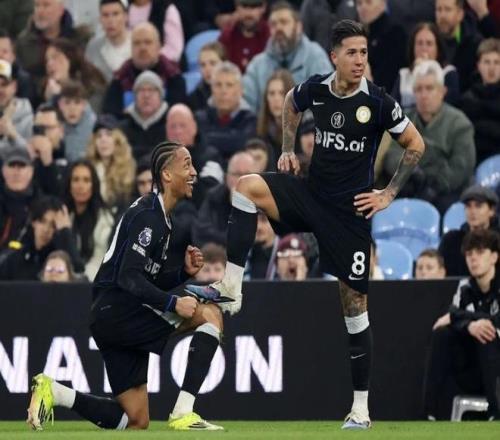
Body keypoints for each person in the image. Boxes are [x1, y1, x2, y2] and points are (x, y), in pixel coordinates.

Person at [186, 19, 426, 430]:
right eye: (351, 52)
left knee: (354, 308)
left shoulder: (379, 102)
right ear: (334, 56)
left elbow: (415, 144)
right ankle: (231, 286)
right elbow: (289, 103)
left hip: (349, 215)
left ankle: (361, 409)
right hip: (312, 195)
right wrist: (286, 149)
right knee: (245, 187)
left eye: (364, 52)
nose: (359, 60)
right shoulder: (317, 89)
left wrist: (387, 194)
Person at [27, 141, 225, 431]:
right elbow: (129, 278)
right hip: (120, 310)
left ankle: (55, 392)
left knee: (135, 420)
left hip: (109, 315)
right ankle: (184, 412)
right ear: (166, 174)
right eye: (187, 165)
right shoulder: (149, 216)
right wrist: (173, 303)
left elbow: (143, 279)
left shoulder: (160, 217)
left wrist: (182, 273)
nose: (194, 172)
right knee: (210, 315)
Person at [424, 229, 500, 421]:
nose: (473, 258)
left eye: (479, 252)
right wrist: (469, 325)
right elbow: (453, 313)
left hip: (496, 364)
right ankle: (429, 413)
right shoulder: (465, 287)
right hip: (472, 369)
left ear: (494, 257)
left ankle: (496, 413)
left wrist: (467, 321)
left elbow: (456, 315)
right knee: (442, 334)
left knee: (486, 333)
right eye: (469, 254)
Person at [383, 60, 476, 214]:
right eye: (419, 89)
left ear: (442, 91)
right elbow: (392, 154)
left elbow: (461, 166)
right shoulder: (403, 120)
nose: (424, 95)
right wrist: (412, 172)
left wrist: (435, 185)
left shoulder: (460, 123)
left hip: (447, 190)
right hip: (410, 184)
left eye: (429, 88)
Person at [243, 1, 332, 112]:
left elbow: (326, 100)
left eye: (284, 22)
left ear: (298, 26)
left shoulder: (315, 56)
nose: (278, 28)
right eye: (273, 24)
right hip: (266, 123)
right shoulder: (257, 65)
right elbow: (246, 105)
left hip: (307, 122)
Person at [103, 22, 186, 117]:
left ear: (158, 47)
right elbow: (109, 118)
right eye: (137, 43)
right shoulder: (119, 78)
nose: (142, 48)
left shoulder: (174, 76)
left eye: (148, 42)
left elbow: (177, 116)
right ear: (131, 48)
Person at [0, 195, 84, 280]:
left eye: (53, 225)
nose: (46, 229)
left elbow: (78, 271)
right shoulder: (16, 259)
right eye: (42, 221)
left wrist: (65, 232)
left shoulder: (59, 261)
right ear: (33, 222)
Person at [195, 61, 257, 166]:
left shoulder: (250, 119)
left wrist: (208, 137)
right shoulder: (200, 117)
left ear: (240, 90)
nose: (223, 91)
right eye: (218, 85)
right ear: (211, 89)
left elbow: (241, 143)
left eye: (229, 85)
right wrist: (231, 137)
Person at [63, 160, 115, 281]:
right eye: (75, 180)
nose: (80, 186)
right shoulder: (62, 215)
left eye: (86, 180)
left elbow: (100, 261)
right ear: (69, 184)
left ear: (94, 185)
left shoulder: (105, 219)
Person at [392, 22, 460, 109]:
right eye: (419, 43)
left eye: (429, 44)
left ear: (438, 48)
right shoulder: (404, 74)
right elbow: (393, 108)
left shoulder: (448, 73)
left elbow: (449, 105)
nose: (424, 48)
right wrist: (416, 71)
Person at [439, 185, 499, 276]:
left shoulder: (497, 240)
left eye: (478, 206)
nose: (473, 211)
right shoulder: (451, 241)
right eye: (468, 206)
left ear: (491, 211)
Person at [459, 37, 500, 164]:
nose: (492, 68)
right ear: (478, 66)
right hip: (475, 160)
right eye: (487, 62)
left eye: (496, 62)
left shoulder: (471, 102)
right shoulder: (468, 98)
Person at [87, 115, 136, 213]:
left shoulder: (129, 170)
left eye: (109, 135)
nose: (103, 140)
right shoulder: (88, 169)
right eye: (99, 136)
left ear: (118, 140)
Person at [355, 0, 407, 92]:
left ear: (383, 3)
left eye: (368, 2)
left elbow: (389, 77)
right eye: (359, 3)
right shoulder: (358, 35)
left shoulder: (395, 33)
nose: (363, 7)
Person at [42, 38, 107, 112]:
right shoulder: (47, 91)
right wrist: (50, 101)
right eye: (47, 60)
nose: (49, 64)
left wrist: (58, 97)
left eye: (55, 57)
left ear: (70, 59)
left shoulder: (93, 87)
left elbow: (90, 116)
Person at [119, 70, 169, 160]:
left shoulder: (171, 125)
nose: (146, 95)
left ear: (160, 96)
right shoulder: (123, 128)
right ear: (135, 96)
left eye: (151, 90)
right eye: (141, 90)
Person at [435, 0, 483, 91]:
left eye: (448, 9)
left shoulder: (475, 44)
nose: (442, 15)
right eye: (439, 10)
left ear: (460, 14)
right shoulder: (428, 41)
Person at [85, 0, 132, 83]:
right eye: (105, 15)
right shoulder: (93, 47)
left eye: (115, 14)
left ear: (126, 16)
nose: (110, 20)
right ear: (100, 19)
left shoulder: (138, 43)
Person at [218, 0, 269, 73]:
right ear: (237, 7)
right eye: (244, 6)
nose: (249, 13)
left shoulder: (270, 34)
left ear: (263, 8)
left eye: (254, 7)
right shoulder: (227, 36)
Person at [256, 69, 295, 165]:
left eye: (282, 93)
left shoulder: (303, 129)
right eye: (272, 93)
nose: (276, 99)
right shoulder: (260, 130)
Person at [58, 80, 96, 162]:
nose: (72, 109)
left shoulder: (94, 126)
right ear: (60, 105)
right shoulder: (54, 124)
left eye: (77, 102)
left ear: (84, 105)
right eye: (67, 103)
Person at [0, 59, 33, 154]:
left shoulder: (28, 117)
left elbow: (33, 155)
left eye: (4, 84)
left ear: (14, 87)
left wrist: (13, 135)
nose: (0, 90)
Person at [187, 41, 226, 112]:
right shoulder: (193, 99)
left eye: (213, 63)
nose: (207, 69)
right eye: (203, 65)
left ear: (224, 64)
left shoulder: (238, 92)